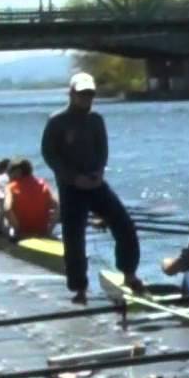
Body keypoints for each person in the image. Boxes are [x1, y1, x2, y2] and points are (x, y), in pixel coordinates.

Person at [41, 72, 142, 303]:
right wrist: (73, 178)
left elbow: (102, 150)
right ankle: (79, 288)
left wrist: (98, 173)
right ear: (72, 93)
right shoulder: (56, 121)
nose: (87, 98)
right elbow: (49, 155)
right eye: (83, 94)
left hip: (96, 183)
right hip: (71, 187)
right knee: (74, 239)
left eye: (90, 94)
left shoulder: (96, 119)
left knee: (125, 226)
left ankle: (129, 273)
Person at [3, 158, 58, 239]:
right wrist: (50, 230)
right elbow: (59, 206)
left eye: (9, 173)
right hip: (42, 232)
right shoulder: (43, 185)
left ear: (18, 172)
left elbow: (7, 209)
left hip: (23, 233)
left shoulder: (10, 187)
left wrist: (17, 229)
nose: (8, 176)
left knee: (4, 219)